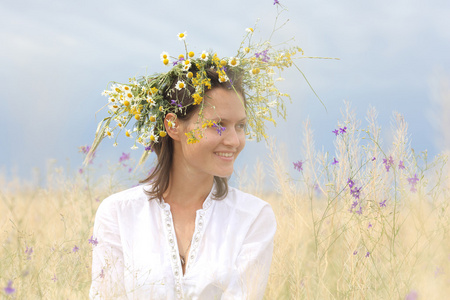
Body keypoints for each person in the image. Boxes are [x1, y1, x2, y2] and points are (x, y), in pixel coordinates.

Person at [87, 26, 305, 299]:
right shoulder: (118, 214)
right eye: (219, 125)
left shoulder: (253, 217)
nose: (235, 140)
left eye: (240, 126)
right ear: (173, 126)